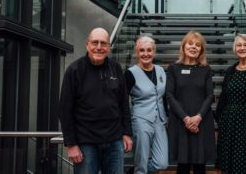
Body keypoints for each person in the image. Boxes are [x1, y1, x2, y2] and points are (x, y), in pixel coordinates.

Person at [59, 27, 133, 174]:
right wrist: (71, 144)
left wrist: (127, 133)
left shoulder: (116, 68)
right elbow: (65, 110)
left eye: (103, 43)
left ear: (109, 47)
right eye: (95, 43)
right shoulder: (74, 70)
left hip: (114, 142)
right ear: (87, 45)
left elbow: (124, 103)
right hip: (86, 144)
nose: (99, 47)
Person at [166, 30, 216, 174]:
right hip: (181, 121)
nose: (193, 47)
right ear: (183, 46)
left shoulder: (206, 69)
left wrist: (198, 117)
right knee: (183, 164)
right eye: (190, 43)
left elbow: (209, 95)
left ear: (201, 50)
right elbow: (169, 95)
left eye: (197, 45)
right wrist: (186, 118)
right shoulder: (173, 69)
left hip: (202, 121)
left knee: (200, 164)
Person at [215, 34, 246, 174]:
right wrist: (220, 118)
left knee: (245, 161)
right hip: (229, 123)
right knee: (227, 161)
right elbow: (224, 96)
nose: (242, 48)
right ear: (234, 48)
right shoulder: (230, 70)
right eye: (239, 45)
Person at [125, 35, 169, 174]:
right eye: (142, 50)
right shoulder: (130, 73)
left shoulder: (161, 70)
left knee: (162, 163)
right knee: (142, 162)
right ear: (137, 53)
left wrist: (166, 117)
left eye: (149, 50)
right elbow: (122, 101)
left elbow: (165, 96)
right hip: (141, 121)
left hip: (160, 122)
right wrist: (125, 129)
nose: (146, 54)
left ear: (154, 52)